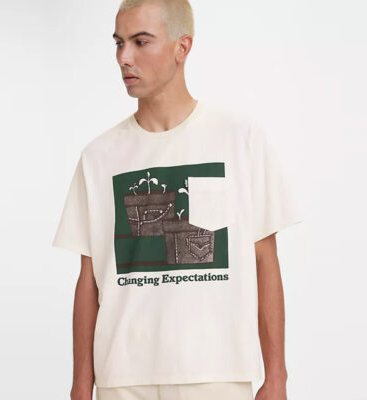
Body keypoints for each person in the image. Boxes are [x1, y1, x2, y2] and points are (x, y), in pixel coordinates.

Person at [52, 0, 303, 399]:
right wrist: (81, 385)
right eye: (118, 43)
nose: (124, 58)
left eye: (140, 42)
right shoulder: (99, 157)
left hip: (216, 373)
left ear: (182, 47)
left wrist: (277, 376)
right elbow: (89, 279)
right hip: (123, 377)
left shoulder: (239, 139)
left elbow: (264, 260)